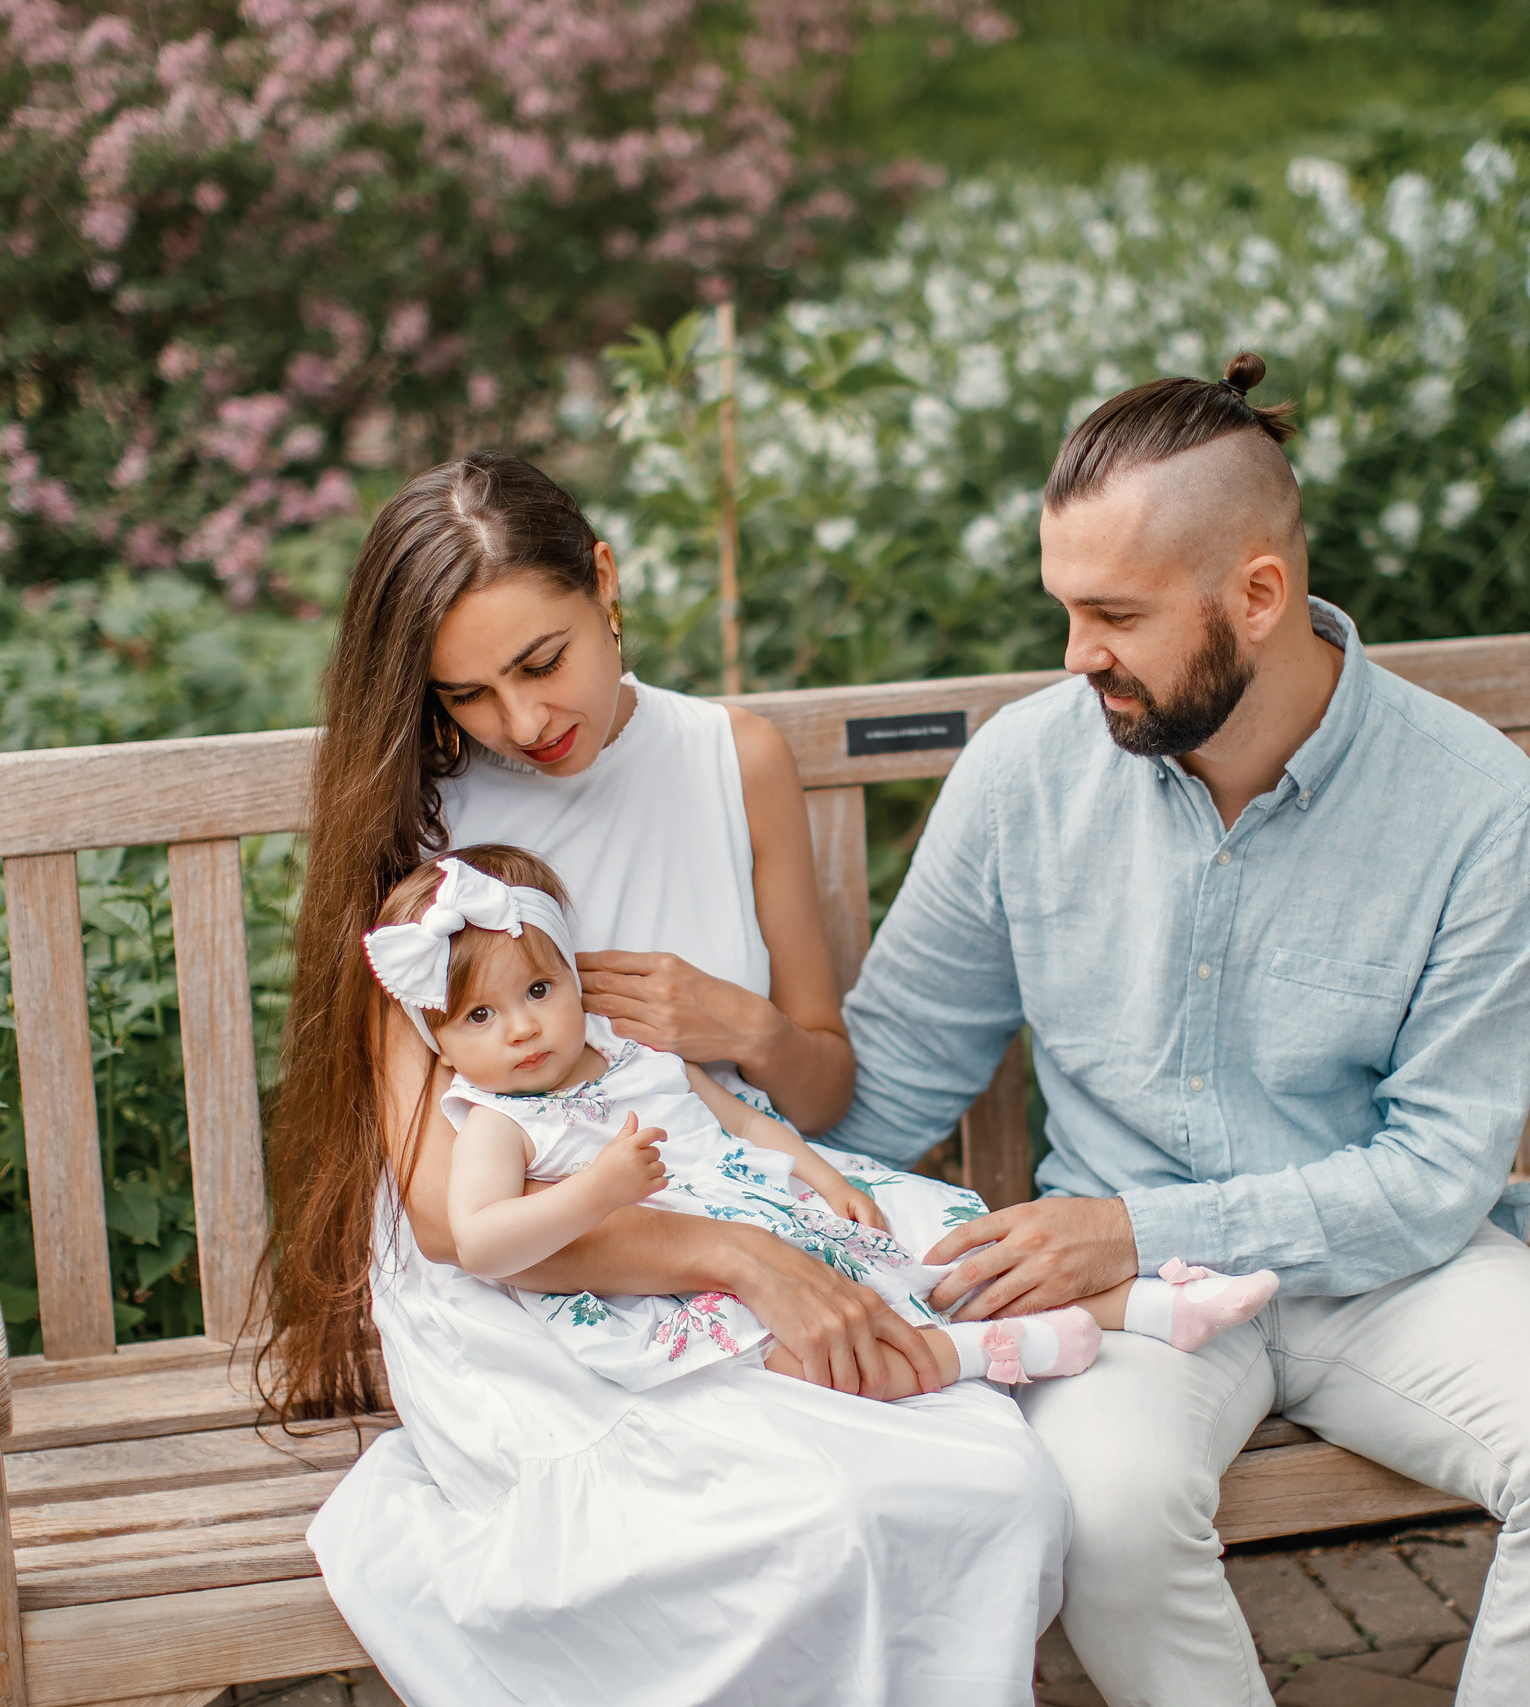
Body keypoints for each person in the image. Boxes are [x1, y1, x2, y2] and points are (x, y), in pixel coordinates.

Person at [828, 354, 1530, 1707]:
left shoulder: (1477, 807)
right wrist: (687, 1168)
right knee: (1101, 1507)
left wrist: (1138, 1228)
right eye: (1064, 607)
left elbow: (1433, 1179)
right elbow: (888, 1077)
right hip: (1131, 1305)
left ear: (1259, 593)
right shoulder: (1025, 772)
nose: (1075, 657)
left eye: (1114, 612)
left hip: (1392, 1271)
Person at [274, 455, 1069, 1706]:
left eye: (542, 662)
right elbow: (443, 1221)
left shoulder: (729, 756)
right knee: (799, 1525)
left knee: (986, 1486)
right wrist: (737, 1258)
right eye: (468, 694)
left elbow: (816, 1092)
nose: (522, 723)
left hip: (736, 1178)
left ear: (605, 583)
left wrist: (736, 1023)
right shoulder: (428, 835)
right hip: (531, 1265)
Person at [371, 844, 1281, 1392]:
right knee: (802, 1355)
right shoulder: (496, 1123)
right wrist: (600, 1189)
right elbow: (483, 1239)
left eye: (539, 989)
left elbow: (742, 1118)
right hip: (682, 1266)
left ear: (575, 976)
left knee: (937, 1235)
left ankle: (1158, 1307)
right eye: (482, 1016)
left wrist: (826, 1176)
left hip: (767, 1200)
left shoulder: (633, 1053)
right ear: (442, 1042)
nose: (525, 1027)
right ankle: (975, 1354)